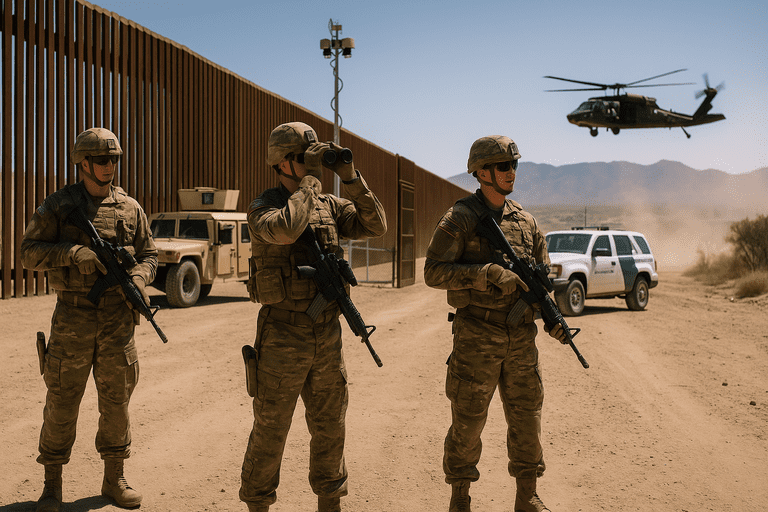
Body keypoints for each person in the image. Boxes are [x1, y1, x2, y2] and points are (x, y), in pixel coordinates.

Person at [240, 122, 387, 512]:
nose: (311, 166)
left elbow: (376, 224)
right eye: (302, 158)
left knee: (330, 423)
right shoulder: (263, 206)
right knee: (272, 426)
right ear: (281, 162)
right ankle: (257, 502)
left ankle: (330, 501)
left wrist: (350, 177)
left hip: (326, 332)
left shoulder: (329, 205)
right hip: (283, 333)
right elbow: (286, 230)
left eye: (312, 157)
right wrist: (306, 187)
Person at [424, 135, 568, 512]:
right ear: (482, 172)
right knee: (468, 421)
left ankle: (527, 495)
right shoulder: (462, 218)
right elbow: (433, 271)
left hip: (520, 338)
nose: (511, 172)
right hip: (477, 335)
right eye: (504, 166)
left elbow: (540, 280)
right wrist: (485, 273)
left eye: (514, 165)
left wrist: (550, 317)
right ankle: (460, 497)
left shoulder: (527, 222)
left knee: (527, 417)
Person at [21, 127, 157, 512]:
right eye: (101, 160)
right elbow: (28, 252)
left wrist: (139, 278)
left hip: (118, 321)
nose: (109, 166)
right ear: (82, 163)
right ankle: (51, 485)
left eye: (114, 160)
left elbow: (150, 254)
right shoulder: (59, 206)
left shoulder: (131, 208)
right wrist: (71, 252)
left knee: (117, 403)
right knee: (62, 401)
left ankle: (114, 479)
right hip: (73, 318)